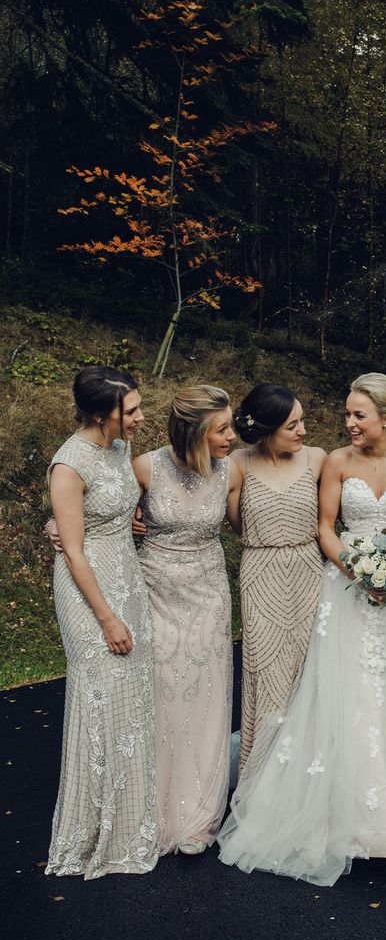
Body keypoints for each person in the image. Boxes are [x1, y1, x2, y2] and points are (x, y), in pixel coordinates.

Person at [218, 373, 386, 890]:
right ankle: (342, 822)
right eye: (347, 414)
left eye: (357, 415)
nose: (347, 423)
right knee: (346, 698)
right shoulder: (337, 462)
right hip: (348, 592)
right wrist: (357, 571)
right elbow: (325, 526)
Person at [46, 366, 158, 879]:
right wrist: (107, 617)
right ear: (100, 413)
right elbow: (72, 548)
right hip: (88, 588)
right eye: (129, 410)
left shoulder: (117, 448)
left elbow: (110, 510)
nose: (139, 417)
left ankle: (131, 819)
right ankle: (92, 828)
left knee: (130, 696)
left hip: (126, 574)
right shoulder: (68, 465)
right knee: (101, 693)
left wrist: (128, 520)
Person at [133, 386, 240, 855]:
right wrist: (58, 528)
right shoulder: (143, 467)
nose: (231, 436)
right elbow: (94, 508)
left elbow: (244, 523)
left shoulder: (229, 471)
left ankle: (198, 813)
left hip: (209, 593)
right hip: (155, 591)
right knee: (161, 696)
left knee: (206, 695)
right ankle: (152, 810)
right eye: (222, 429)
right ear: (194, 431)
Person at [230, 384, 327, 773]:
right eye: (293, 425)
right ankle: (267, 774)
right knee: (267, 670)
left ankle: (311, 771)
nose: (303, 430)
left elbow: (353, 501)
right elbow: (223, 517)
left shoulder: (318, 459)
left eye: (302, 421)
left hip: (309, 571)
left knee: (311, 670)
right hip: (260, 570)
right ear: (267, 429)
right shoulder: (237, 462)